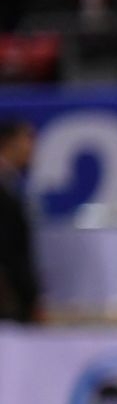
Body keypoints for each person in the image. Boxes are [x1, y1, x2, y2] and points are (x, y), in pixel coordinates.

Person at [0, 118, 39, 323]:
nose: (32, 146)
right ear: (9, 142)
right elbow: (9, 247)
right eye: (27, 139)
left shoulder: (10, 183)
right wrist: (28, 296)